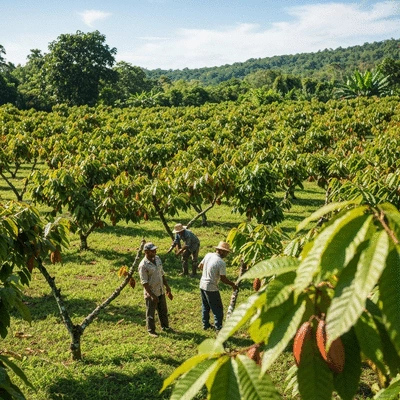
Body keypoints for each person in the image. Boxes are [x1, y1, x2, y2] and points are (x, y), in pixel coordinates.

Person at [199, 241, 238, 333]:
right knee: (218, 309)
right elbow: (223, 279)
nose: (227, 254)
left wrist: (208, 272)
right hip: (211, 287)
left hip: (202, 284)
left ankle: (205, 325)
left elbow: (200, 266)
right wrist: (233, 284)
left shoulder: (208, 255)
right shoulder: (221, 262)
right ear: (221, 251)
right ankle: (218, 328)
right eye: (226, 252)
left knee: (205, 306)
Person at [138, 242, 172, 338]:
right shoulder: (143, 265)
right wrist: (152, 295)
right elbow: (144, 282)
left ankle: (165, 326)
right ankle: (151, 330)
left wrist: (167, 286)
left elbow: (161, 273)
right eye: (153, 251)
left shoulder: (157, 259)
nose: (155, 252)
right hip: (151, 293)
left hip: (160, 290)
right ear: (146, 252)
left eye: (155, 250)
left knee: (163, 310)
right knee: (151, 313)